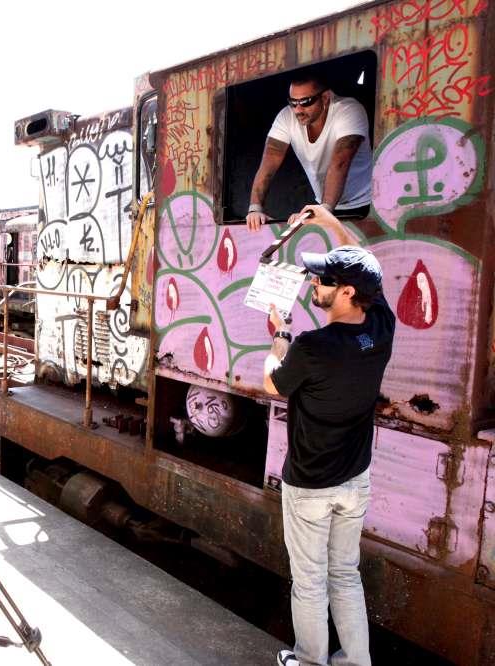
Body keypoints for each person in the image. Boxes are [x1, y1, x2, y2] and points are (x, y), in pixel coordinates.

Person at [262, 205, 395, 666]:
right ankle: (357, 663)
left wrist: (279, 334)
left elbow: (272, 382)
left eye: (321, 281)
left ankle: (310, 660)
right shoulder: (381, 327)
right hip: (354, 479)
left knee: (311, 580)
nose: (312, 285)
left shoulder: (312, 346)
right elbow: (365, 265)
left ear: (347, 292)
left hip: (309, 483)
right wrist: (329, 223)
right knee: (344, 574)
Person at [246, 72, 372, 231]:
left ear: (325, 97)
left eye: (306, 102)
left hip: (365, 205)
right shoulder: (287, 117)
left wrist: (324, 210)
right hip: (324, 204)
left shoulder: (349, 110)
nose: (298, 110)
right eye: (293, 102)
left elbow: (340, 162)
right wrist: (255, 208)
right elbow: (269, 161)